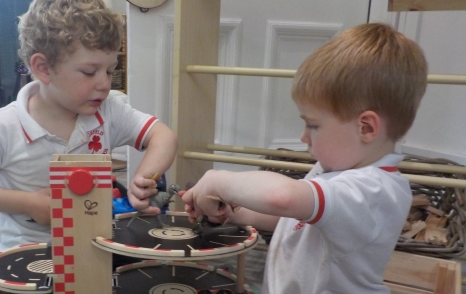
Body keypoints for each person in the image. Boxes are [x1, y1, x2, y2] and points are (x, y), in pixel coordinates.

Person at [180, 23, 428, 293]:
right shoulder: (336, 171)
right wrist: (237, 214)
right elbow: (297, 224)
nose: (304, 137)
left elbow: (283, 198)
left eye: (313, 125)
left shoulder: (372, 190)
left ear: (366, 128)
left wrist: (218, 179)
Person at [0, 0, 177, 250]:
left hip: (96, 244)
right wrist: (28, 203)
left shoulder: (109, 111)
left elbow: (163, 137)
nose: (105, 84)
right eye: (89, 72)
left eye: (109, 70)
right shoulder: (2, 127)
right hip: (30, 250)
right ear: (43, 68)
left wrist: (143, 179)